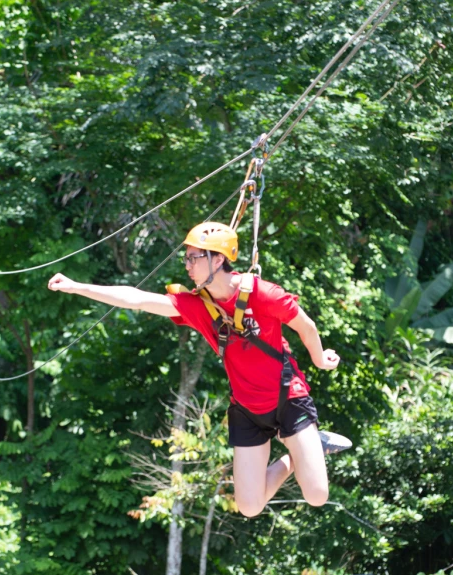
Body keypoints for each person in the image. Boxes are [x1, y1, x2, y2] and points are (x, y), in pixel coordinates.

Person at [47, 221, 351, 518]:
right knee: (249, 506)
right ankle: (294, 458)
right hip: (247, 409)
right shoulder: (195, 305)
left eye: (194, 258)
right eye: (187, 258)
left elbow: (305, 325)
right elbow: (136, 299)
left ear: (217, 259)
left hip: (288, 398)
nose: (187, 266)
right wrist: (77, 287)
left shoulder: (263, 293)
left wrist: (319, 358)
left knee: (316, 495)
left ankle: (311, 444)